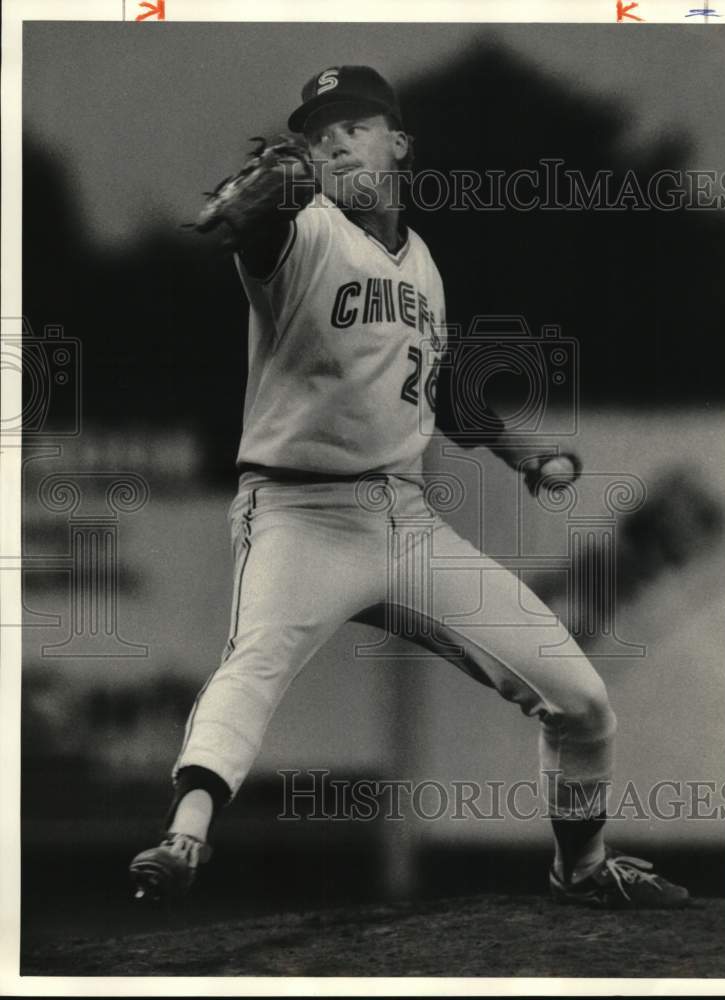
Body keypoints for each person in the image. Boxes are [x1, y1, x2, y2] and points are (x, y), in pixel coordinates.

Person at [130, 65, 689, 909]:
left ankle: (580, 866)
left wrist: (522, 453)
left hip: (403, 522)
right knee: (254, 663)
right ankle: (185, 835)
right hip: (296, 514)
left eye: (353, 124)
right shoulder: (304, 232)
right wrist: (262, 214)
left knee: (579, 700)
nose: (332, 140)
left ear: (399, 142)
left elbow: (437, 386)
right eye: (318, 133)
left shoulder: (421, 263)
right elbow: (261, 232)